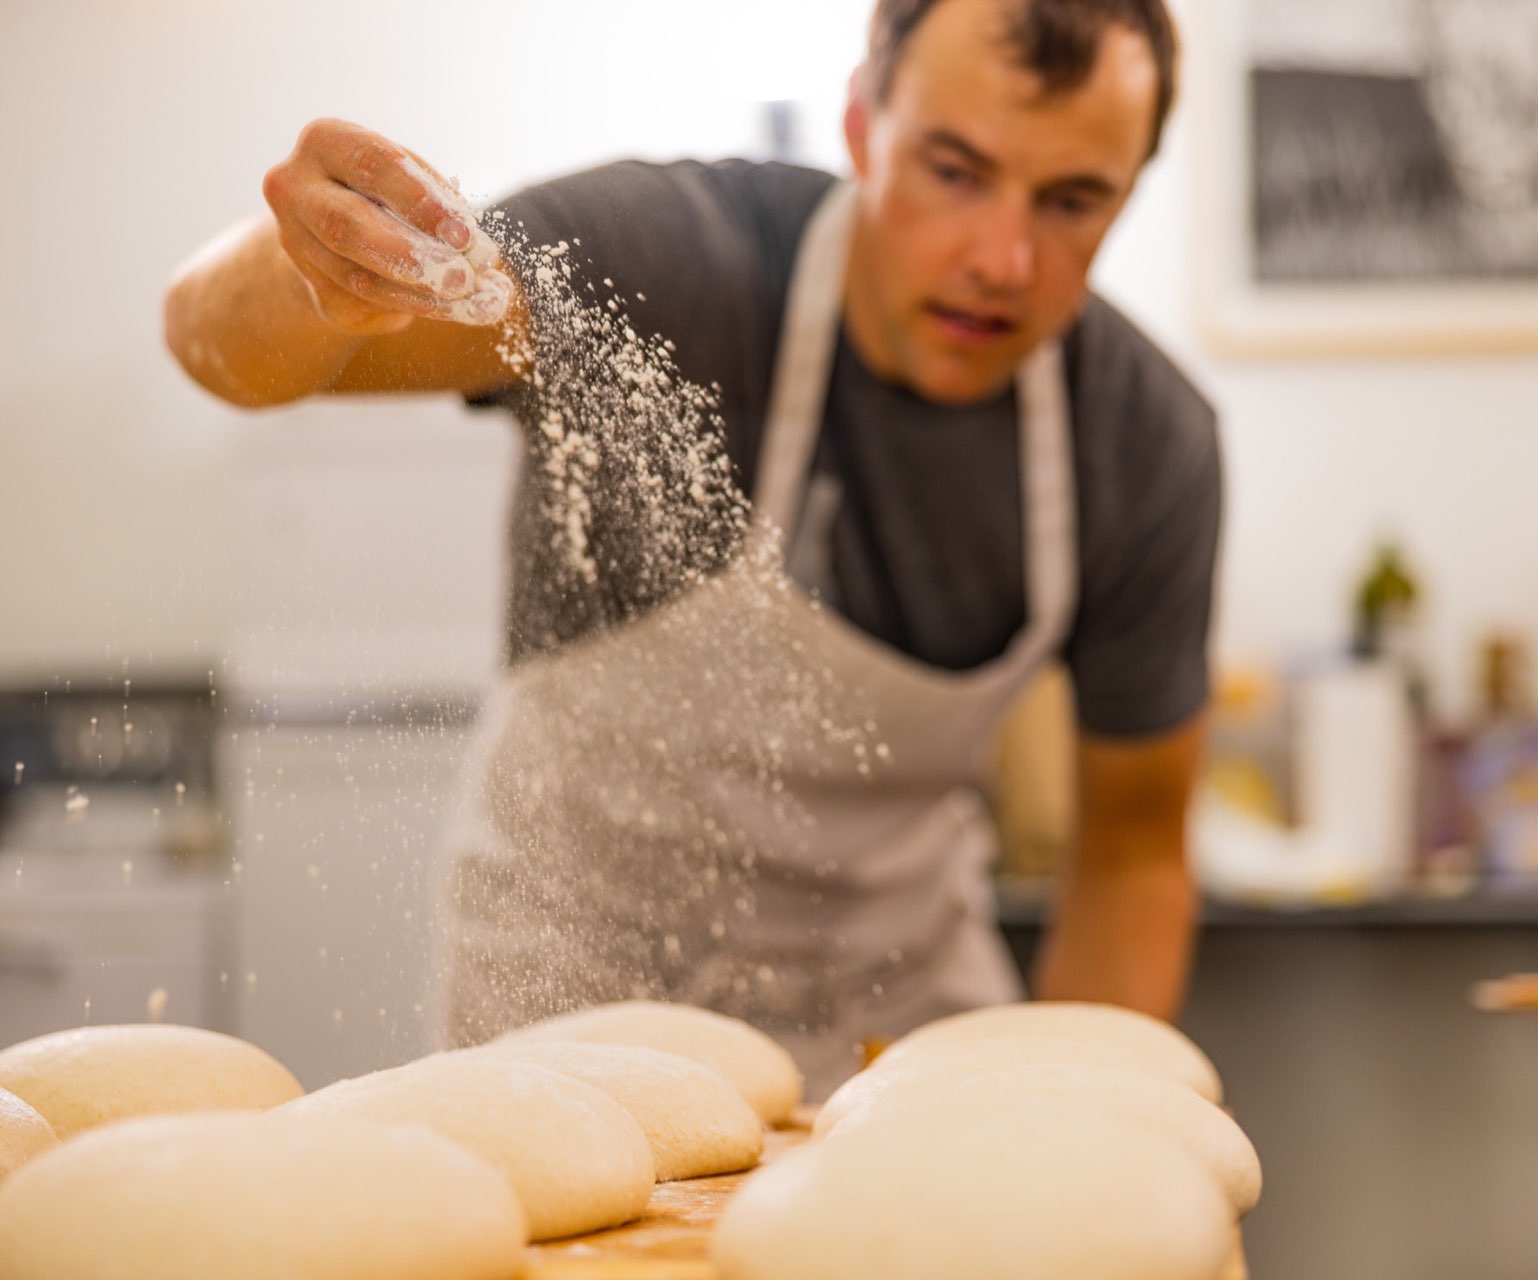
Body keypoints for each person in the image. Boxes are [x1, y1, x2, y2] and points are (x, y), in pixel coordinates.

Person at [164, 0, 1220, 1095]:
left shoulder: (1143, 444)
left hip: (897, 1024)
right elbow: (219, 344)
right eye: (954, 170)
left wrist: (1085, 1111)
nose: (1003, 257)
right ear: (862, 127)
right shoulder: (671, 268)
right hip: (571, 998)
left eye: (1071, 201)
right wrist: (316, 267)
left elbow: (1135, 851)